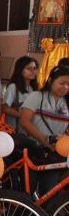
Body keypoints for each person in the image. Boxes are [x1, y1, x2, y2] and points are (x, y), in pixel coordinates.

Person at [20, 65, 69, 194]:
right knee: (27, 190)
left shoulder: (66, 103)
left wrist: (63, 138)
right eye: (62, 83)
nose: (65, 87)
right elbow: (24, 121)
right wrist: (45, 139)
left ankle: (44, 214)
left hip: (55, 154)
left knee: (49, 192)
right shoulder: (37, 96)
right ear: (50, 80)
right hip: (33, 150)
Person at [2, 56, 39, 131]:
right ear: (20, 70)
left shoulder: (33, 89)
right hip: (14, 130)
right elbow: (5, 108)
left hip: (28, 131)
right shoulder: (13, 87)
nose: (33, 71)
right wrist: (24, 115)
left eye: (34, 68)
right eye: (29, 68)